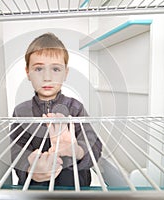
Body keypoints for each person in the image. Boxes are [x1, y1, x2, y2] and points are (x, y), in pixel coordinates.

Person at [10, 32, 102, 187]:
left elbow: (95, 147)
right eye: (39, 69)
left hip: (74, 188)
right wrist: (30, 168)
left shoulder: (76, 108)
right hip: (35, 189)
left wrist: (76, 151)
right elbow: (15, 151)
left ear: (65, 73)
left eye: (56, 69)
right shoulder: (21, 111)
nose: (47, 77)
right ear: (28, 73)